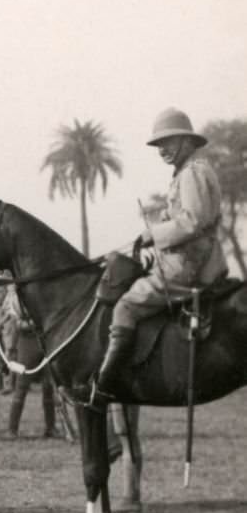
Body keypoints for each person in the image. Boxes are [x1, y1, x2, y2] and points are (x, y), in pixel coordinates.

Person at [96, 108, 228, 395]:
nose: (161, 150)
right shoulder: (188, 172)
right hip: (189, 260)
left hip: (187, 266)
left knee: (125, 306)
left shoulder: (193, 173)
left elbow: (192, 221)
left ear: (186, 141)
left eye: (167, 142)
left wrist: (152, 233)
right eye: (158, 145)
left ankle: (107, 384)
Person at [3, 285, 59, 439]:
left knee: (48, 386)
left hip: (45, 341)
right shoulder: (17, 296)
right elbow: (17, 321)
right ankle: (12, 429)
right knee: (21, 386)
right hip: (27, 341)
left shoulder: (44, 291)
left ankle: (51, 427)